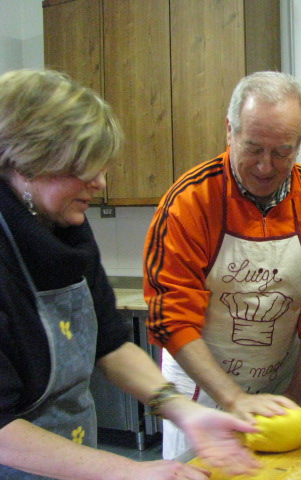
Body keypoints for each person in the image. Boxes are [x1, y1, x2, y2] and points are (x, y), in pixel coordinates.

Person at [0, 69, 260, 479]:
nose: (100, 184)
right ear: (28, 161)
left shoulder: (65, 228)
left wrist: (185, 411)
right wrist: (128, 471)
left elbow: (111, 344)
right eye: (82, 170)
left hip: (72, 459)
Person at [143, 71, 301, 460]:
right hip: (200, 392)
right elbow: (172, 318)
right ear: (230, 131)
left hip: (280, 383)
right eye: (253, 148)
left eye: (283, 151)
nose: (266, 166)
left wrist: (298, 394)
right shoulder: (189, 203)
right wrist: (232, 399)